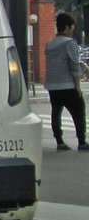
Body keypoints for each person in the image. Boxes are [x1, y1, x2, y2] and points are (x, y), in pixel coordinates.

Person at [44, 12, 88, 151]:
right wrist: (77, 86)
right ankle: (82, 142)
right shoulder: (70, 43)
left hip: (52, 86)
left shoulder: (49, 44)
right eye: (72, 26)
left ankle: (60, 141)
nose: (73, 29)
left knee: (56, 113)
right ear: (67, 27)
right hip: (67, 85)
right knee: (79, 111)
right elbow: (74, 65)